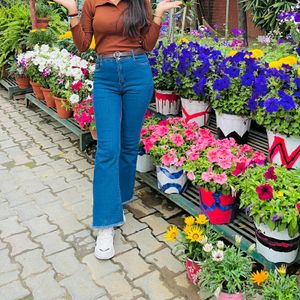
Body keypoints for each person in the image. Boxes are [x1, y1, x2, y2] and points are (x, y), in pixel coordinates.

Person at [53, 0, 181, 259]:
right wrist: (72, 11)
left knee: (129, 143)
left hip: (138, 73)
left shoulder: (140, 2)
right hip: (105, 76)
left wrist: (157, 15)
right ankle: (105, 223)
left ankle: (120, 199)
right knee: (107, 149)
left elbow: (147, 45)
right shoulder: (92, 3)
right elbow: (82, 44)